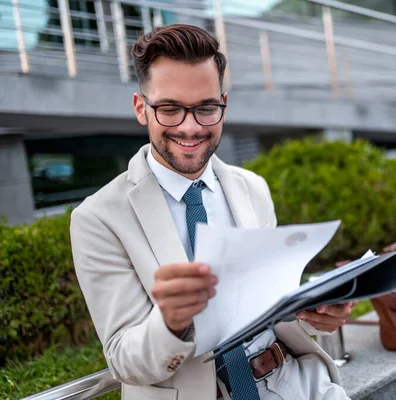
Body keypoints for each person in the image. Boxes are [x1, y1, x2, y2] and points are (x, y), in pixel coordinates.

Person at [70, 24, 353, 400]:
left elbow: (267, 306)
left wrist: (314, 314)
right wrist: (172, 323)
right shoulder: (98, 218)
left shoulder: (252, 187)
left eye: (205, 108)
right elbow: (124, 361)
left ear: (223, 104)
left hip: (297, 382)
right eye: (169, 109)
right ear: (142, 109)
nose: (190, 127)